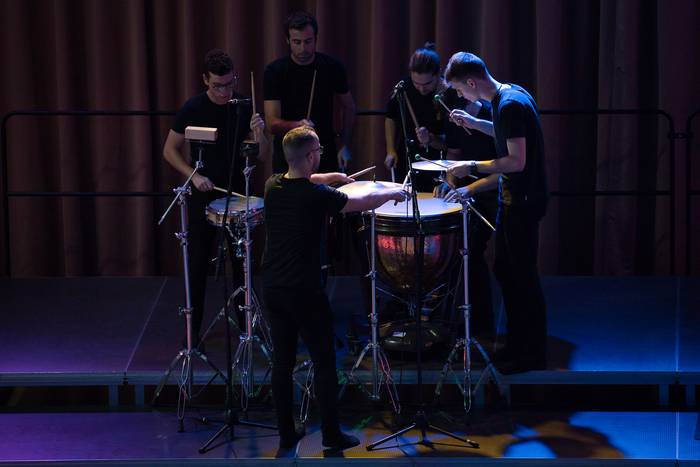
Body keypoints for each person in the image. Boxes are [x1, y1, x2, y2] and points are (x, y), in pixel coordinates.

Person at [262, 126, 407, 450]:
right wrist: (392, 194)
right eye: (318, 151)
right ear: (311, 155)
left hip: (273, 286)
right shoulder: (317, 198)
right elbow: (364, 201)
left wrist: (335, 176)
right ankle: (331, 434)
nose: (320, 155)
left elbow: (309, 179)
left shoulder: (273, 185)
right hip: (304, 290)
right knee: (325, 362)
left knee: (282, 363)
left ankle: (286, 433)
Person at [442, 51, 548, 374]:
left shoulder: (510, 104)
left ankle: (530, 351)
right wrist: (475, 123)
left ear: (472, 82)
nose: (460, 96)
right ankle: (518, 343)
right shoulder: (509, 97)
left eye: (460, 90)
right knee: (504, 268)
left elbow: (516, 161)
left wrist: (470, 167)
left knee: (522, 275)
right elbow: (506, 134)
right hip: (512, 199)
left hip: (523, 201)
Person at [162, 49, 270, 345]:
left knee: (242, 265)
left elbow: (264, 156)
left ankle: (248, 327)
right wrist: (193, 176)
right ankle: (192, 330)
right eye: (217, 86)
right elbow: (169, 150)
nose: (224, 92)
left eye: (229, 84)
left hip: (237, 192)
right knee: (197, 265)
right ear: (205, 81)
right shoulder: (193, 107)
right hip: (204, 193)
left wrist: (259, 134)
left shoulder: (244, 106)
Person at [434, 87, 499, 338]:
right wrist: (448, 182)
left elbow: (506, 170)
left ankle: (484, 327)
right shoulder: (454, 120)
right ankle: (456, 322)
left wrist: (469, 189)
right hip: (467, 192)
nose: (454, 121)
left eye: (457, 116)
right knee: (459, 254)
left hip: (493, 193)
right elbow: (453, 155)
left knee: (480, 256)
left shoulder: (493, 118)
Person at [264, 10, 356, 174]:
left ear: (316, 39)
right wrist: (298, 125)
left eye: (308, 41)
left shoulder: (332, 67)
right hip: (288, 153)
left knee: (326, 198)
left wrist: (344, 144)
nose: (303, 48)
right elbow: (272, 123)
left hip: (323, 150)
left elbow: (349, 107)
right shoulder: (275, 71)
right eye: (297, 42)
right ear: (288, 40)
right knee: (289, 200)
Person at [384, 43, 447, 191]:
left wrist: (430, 139)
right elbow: (390, 117)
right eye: (416, 83)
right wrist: (391, 150)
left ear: (438, 74)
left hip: (440, 159)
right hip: (408, 155)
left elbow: (453, 142)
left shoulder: (449, 93)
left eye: (427, 83)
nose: (421, 88)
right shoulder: (403, 87)